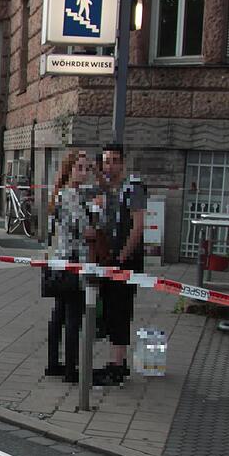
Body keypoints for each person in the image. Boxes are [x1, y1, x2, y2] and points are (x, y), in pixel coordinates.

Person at [94, 144, 147, 386]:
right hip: (109, 259)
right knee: (111, 309)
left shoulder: (133, 188)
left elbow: (138, 226)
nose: (110, 165)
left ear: (123, 163)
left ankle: (118, 365)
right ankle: (115, 362)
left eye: (114, 160)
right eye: (106, 161)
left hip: (125, 261)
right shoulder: (109, 189)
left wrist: (122, 257)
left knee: (120, 309)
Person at [43, 150, 98, 383]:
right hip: (72, 263)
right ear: (70, 169)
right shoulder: (70, 196)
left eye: (87, 168)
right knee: (73, 315)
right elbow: (83, 231)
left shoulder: (58, 194)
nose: (85, 173)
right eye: (81, 168)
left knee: (59, 314)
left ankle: (54, 363)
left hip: (57, 261)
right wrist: (94, 222)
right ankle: (70, 370)